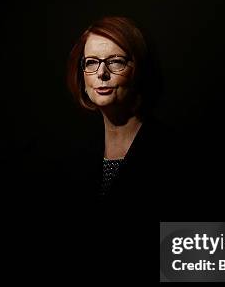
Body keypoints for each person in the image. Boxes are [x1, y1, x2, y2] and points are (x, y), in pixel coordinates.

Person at [66, 16, 173, 205]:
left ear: (139, 70)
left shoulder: (171, 153)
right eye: (91, 62)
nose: (101, 73)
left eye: (116, 61)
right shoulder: (76, 158)